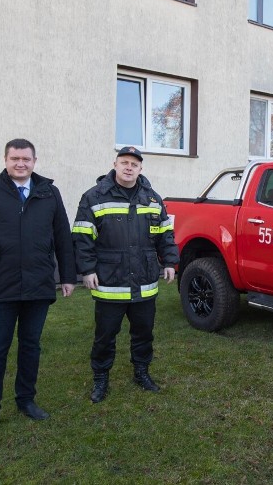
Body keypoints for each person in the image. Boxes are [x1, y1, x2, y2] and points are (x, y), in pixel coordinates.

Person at [0, 138, 76, 445]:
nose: (20, 163)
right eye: (14, 158)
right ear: (5, 160)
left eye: (26, 158)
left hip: (37, 285)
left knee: (30, 346)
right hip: (1, 286)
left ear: (35, 161)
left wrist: (67, 276)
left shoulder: (50, 192)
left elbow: (63, 236)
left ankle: (26, 400)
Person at [72, 146, 180, 404]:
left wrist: (170, 262)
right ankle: (100, 378)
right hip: (110, 281)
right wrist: (87, 269)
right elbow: (82, 237)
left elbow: (165, 234)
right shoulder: (94, 197)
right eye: (124, 162)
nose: (129, 167)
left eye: (134, 163)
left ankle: (141, 372)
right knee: (105, 335)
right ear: (115, 164)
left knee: (144, 333)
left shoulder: (153, 198)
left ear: (140, 169)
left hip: (144, 281)